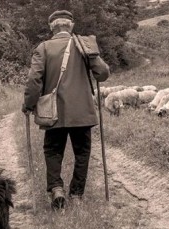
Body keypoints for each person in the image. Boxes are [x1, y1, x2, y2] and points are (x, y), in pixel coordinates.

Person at [22, 10, 110, 210]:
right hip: (82, 113)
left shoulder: (43, 48)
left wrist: (28, 104)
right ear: (71, 26)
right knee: (82, 152)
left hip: (53, 113)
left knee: (53, 151)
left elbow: (33, 80)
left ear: (51, 27)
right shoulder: (84, 45)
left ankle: (56, 189)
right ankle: (77, 194)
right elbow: (103, 74)